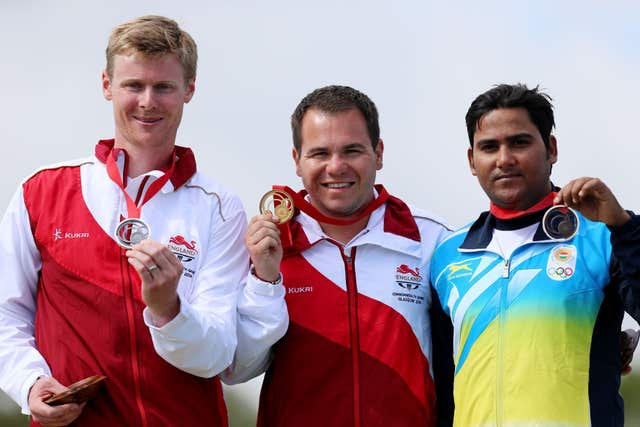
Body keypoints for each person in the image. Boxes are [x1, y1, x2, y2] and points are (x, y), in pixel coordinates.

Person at [0, 15, 287, 426]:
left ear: (189, 89)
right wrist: (29, 383)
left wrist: (168, 310)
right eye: (134, 85)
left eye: (164, 87)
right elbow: (6, 314)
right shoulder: (41, 191)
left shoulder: (220, 207)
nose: (148, 101)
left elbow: (220, 356)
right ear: (106, 85)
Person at [225, 85, 454, 426]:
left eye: (352, 150)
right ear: (297, 161)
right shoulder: (266, 245)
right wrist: (265, 280)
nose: (336, 167)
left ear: (378, 153)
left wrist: (557, 212)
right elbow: (237, 368)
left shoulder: (431, 239)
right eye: (320, 153)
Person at [430, 83, 640, 426]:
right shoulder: (448, 255)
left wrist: (625, 227)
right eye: (488, 147)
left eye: (520, 142)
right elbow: (440, 379)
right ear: (472, 160)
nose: (504, 159)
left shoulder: (604, 235)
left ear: (551, 149)